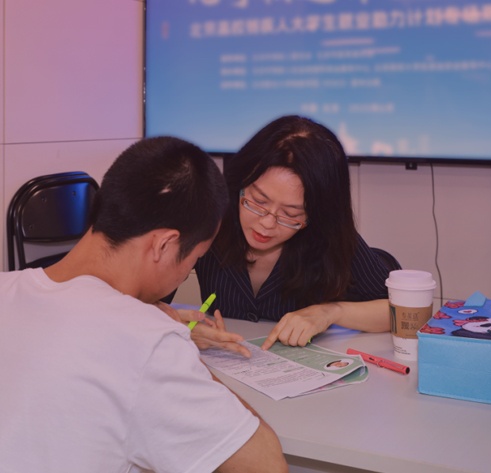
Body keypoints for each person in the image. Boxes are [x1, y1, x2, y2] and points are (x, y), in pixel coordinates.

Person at [0, 137, 288, 473]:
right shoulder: (148, 342)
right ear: (164, 244)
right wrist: (178, 350)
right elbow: (267, 464)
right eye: (195, 258)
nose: (187, 270)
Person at [188, 115, 391, 349]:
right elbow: (150, 297)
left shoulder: (330, 238)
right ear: (240, 183)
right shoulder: (208, 220)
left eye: (291, 214)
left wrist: (330, 312)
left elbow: (403, 311)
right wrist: (183, 327)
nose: (267, 223)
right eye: (258, 201)